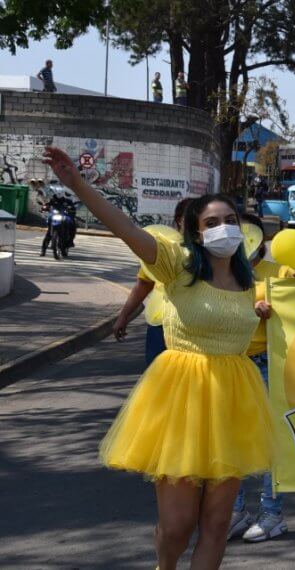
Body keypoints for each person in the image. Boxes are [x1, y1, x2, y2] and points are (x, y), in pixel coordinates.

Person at [43, 146, 277, 569]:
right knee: (177, 525)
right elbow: (126, 229)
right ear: (195, 232)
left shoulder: (249, 279)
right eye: (212, 223)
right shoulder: (177, 266)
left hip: (234, 402)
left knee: (218, 522)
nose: (223, 228)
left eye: (230, 221)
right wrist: (76, 184)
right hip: (181, 399)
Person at [228, 213, 295, 543]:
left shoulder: (274, 273)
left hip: (267, 365)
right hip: (228, 366)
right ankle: (235, 511)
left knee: (271, 443)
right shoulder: (218, 274)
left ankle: (272, 513)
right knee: (233, 442)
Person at [111, 198, 193, 366]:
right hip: (160, 325)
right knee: (157, 377)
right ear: (180, 220)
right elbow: (144, 284)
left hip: (194, 327)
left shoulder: (214, 254)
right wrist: (123, 317)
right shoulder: (164, 250)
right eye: (190, 216)